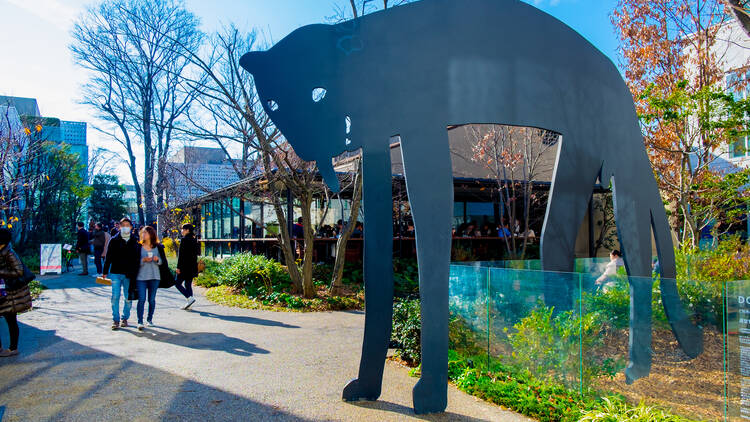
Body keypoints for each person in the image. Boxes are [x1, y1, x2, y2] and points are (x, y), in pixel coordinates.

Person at [0, 228, 32, 357]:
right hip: (3, 291)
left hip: (10, 293)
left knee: (11, 320)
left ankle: (13, 348)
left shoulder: (9, 253)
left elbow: (19, 272)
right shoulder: (2, 250)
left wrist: (1, 272)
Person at [102, 218, 139, 330]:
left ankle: (125, 318)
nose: (125, 227)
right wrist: (105, 271)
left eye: (128, 225)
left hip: (129, 274)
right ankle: (116, 319)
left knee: (128, 297)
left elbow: (137, 258)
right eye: (123, 225)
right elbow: (108, 257)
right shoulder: (114, 240)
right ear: (119, 227)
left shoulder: (134, 240)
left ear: (131, 227)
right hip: (115, 272)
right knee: (115, 296)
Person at [135, 226, 171, 330]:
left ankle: (149, 319)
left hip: (155, 276)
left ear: (151, 234)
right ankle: (140, 321)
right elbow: (134, 262)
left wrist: (157, 260)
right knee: (141, 299)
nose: (143, 235)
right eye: (142, 233)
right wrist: (143, 260)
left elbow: (163, 262)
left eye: (145, 233)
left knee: (151, 299)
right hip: (141, 277)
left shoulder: (158, 247)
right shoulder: (138, 247)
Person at [175, 224, 200, 310]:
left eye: (183, 229)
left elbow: (181, 255)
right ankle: (190, 303)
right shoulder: (194, 240)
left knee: (177, 283)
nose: (181, 231)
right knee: (188, 284)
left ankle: (189, 298)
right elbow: (197, 253)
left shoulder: (184, 240)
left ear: (187, 230)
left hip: (184, 266)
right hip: (192, 266)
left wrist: (178, 267)